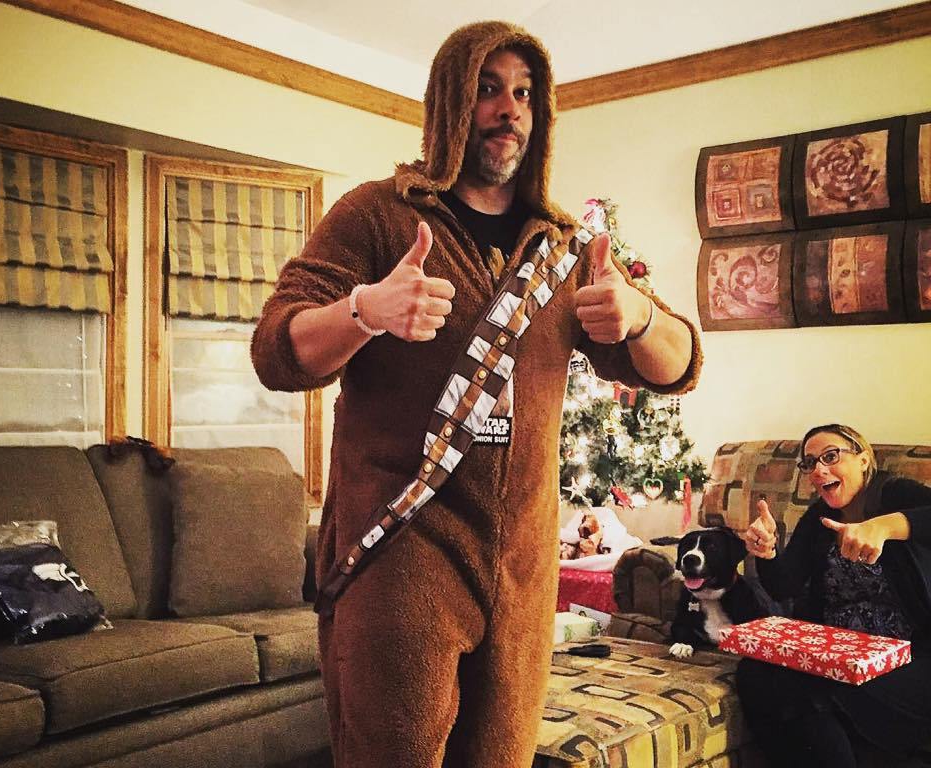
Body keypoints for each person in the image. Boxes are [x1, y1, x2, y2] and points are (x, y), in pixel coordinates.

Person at [251, 21, 701, 768]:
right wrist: (365, 310)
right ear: (450, 103)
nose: (508, 109)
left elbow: (677, 364)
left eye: (524, 93)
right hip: (402, 551)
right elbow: (276, 349)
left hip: (524, 567)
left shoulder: (564, 247)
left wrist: (640, 315)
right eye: (488, 88)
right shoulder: (376, 214)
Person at [740, 424, 931, 768]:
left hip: (910, 655)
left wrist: (882, 526)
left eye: (830, 456)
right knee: (754, 673)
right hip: (838, 651)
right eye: (810, 462)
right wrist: (767, 553)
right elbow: (785, 586)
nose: (818, 470)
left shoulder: (895, 493)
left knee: (816, 695)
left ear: (863, 460)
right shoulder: (819, 518)